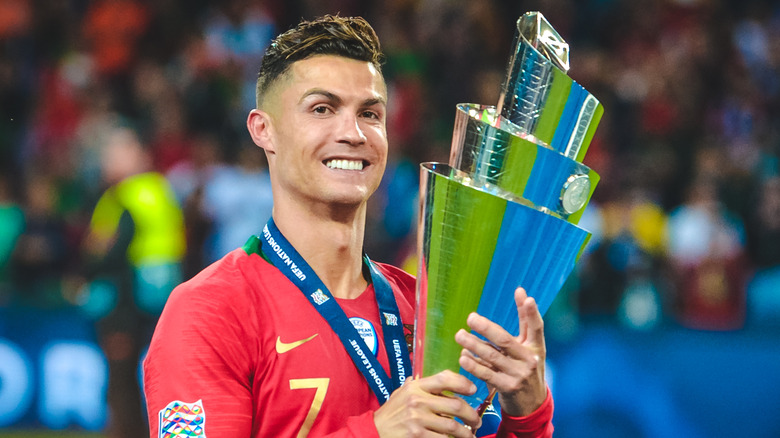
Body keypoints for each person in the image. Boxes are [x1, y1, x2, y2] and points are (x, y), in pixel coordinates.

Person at [143, 15, 553, 438]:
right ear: (264, 130)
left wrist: (529, 415)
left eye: (370, 114)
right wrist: (375, 433)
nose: (354, 133)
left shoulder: (427, 310)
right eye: (322, 109)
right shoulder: (210, 312)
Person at [79, 126, 186, 438]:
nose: (107, 159)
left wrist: (89, 262)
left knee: (121, 378)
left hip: (125, 299)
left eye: (116, 152)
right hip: (163, 296)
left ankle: (126, 431)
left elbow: (108, 251)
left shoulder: (125, 195)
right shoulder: (161, 190)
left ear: (138, 155)